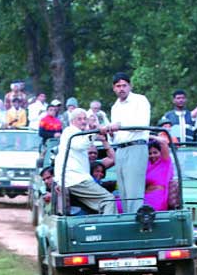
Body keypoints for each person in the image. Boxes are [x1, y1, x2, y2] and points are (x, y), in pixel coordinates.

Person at [101, 72, 150, 214]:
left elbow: (142, 123)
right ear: (113, 88)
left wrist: (119, 125)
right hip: (120, 149)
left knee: (134, 190)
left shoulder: (140, 100)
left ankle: (137, 223)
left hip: (136, 146)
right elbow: (116, 136)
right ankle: (128, 220)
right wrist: (110, 132)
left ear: (130, 86)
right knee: (123, 190)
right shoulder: (115, 106)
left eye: (124, 85)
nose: (121, 88)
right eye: (118, 86)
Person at [55, 108, 116, 214]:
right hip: (75, 179)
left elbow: (112, 158)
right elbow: (80, 145)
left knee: (101, 204)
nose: (83, 121)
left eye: (84, 119)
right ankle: (109, 228)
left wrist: (97, 133)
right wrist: (95, 132)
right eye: (79, 119)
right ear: (72, 121)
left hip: (76, 179)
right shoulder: (71, 131)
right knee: (108, 200)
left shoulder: (80, 134)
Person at [143, 138, 174, 211]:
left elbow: (163, 142)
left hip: (157, 198)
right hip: (144, 196)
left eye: (155, 152)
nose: (152, 155)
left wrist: (147, 135)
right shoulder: (147, 165)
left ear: (161, 153)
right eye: (150, 153)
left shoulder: (165, 161)